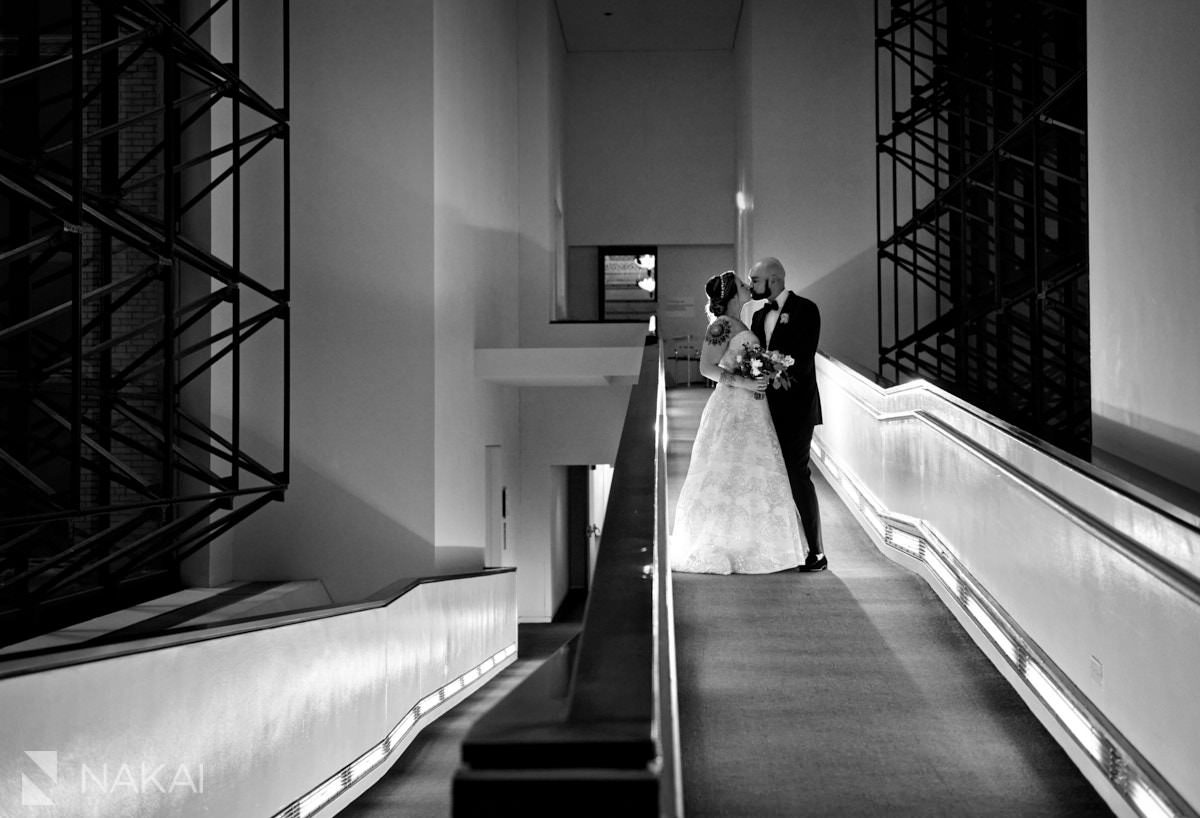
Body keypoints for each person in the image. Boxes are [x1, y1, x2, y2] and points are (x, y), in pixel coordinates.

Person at [670, 270, 808, 574]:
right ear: (733, 294)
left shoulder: (744, 323)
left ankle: (749, 540)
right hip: (732, 405)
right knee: (727, 467)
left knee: (751, 470)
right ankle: (720, 541)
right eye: (744, 286)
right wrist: (744, 384)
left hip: (755, 408)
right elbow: (706, 367)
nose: (749, 288)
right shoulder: (720, 325)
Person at [747, 257, 827, 571]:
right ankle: (782, 548)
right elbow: (753, 357)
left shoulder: (807, 309)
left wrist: (770, 370)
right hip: (763, 410)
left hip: (797, 409)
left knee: (797, 474)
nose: (752, 284)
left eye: (756, 279)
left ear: (775, 279)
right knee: (769, 476)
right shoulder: (756, 317)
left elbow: (803, 359)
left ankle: (816, 552)